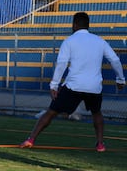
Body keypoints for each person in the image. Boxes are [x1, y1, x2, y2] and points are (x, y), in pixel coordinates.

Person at [20, 12, 125, 152]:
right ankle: (100, 144)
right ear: (88, 25)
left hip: (73, 85)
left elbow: (62, 63)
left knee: (51, 112)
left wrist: (54, 85)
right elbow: (115, 60)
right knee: (97, 113)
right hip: (94, 87)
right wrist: (120, 79)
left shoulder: (69, 41)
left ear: (74, 25)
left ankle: (31, 139)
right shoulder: (100, 41)